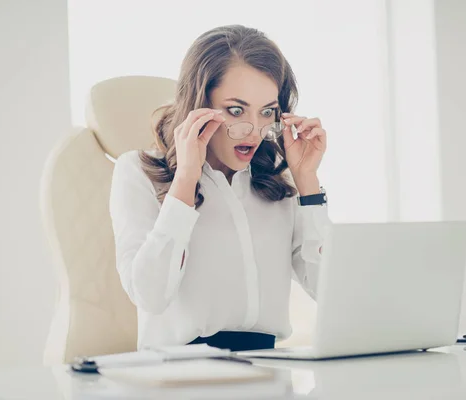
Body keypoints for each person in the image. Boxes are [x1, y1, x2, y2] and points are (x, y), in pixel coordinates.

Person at [109, 24, 330, 352]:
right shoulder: (138, 172)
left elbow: (329, 291)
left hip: (269, 372)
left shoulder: (276, 182)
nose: (253, 132)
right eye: (236, 110)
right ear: (200, 103)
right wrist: (185, 180)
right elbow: (149, 295)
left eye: (267, 112)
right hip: (179, 376)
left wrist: (308, 183)